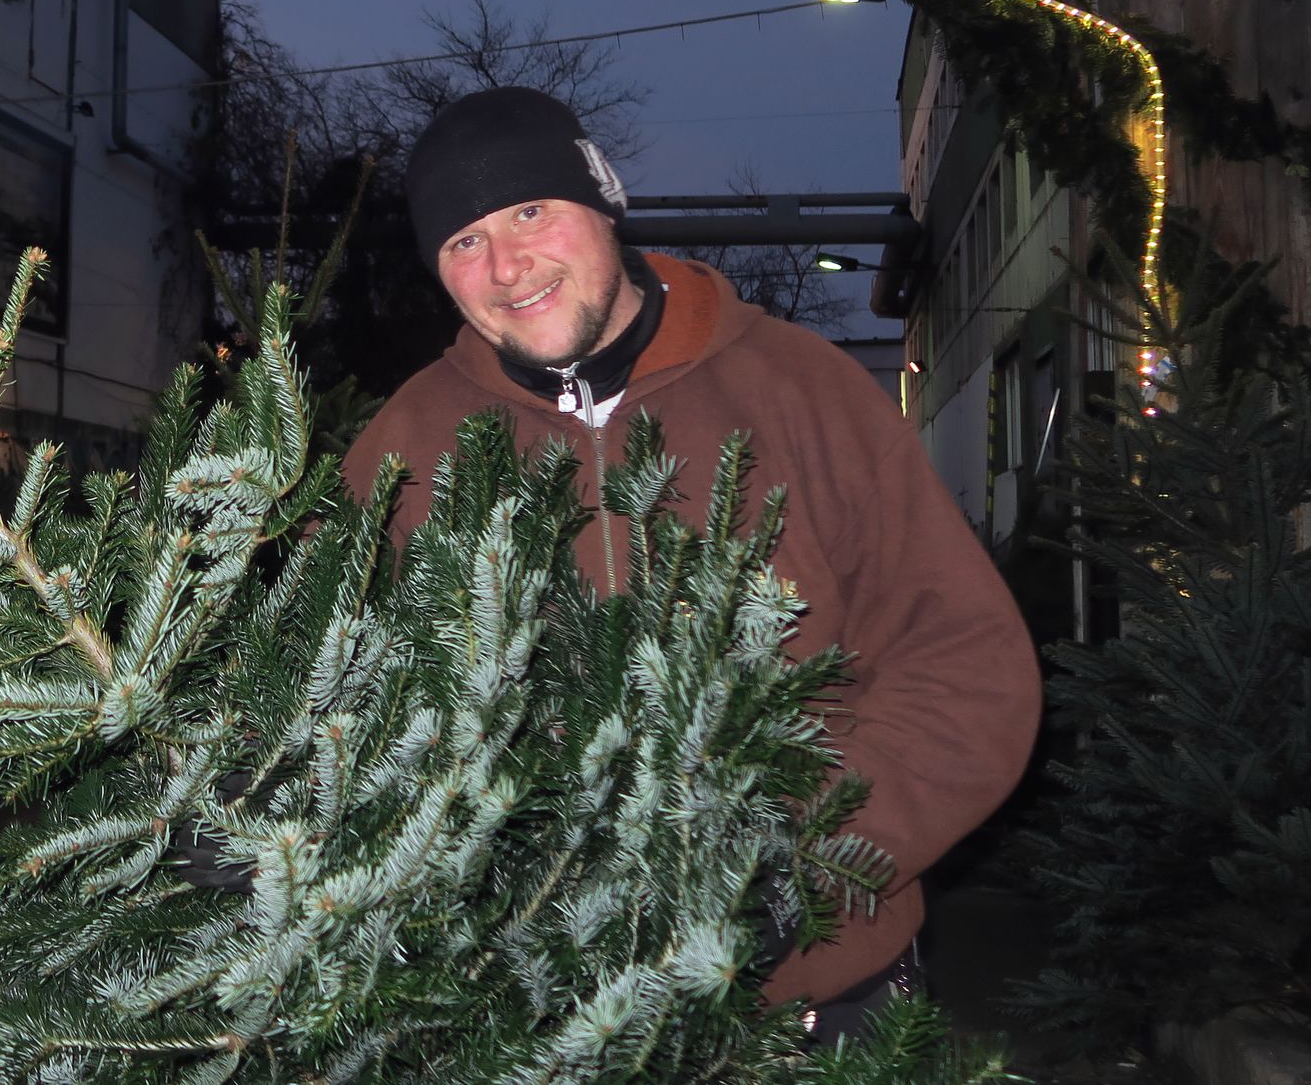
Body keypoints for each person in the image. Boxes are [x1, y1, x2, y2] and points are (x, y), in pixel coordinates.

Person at [341, 86, 1040, 1042]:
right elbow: (326, 689)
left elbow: (963, 667)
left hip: (819, 1000)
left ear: (604, 202)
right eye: (463, 242)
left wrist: (807, 861)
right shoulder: (404, 447)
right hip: (531, 1018)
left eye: (530, 211)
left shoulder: (804, 391)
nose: (507, 267)